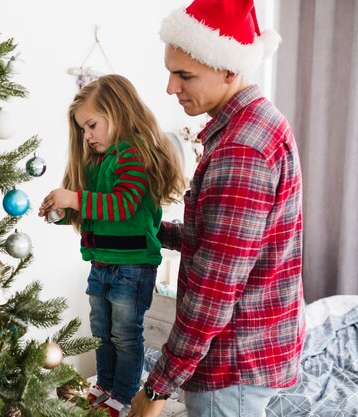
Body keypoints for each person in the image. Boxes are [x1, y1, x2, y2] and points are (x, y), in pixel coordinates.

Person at [128, 1, 305, 417]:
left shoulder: (241, 150)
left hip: (232, 364)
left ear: (229, 70)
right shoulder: (258, 123)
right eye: (170, 71)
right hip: (253, 348)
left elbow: (213, 292)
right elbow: (223, 244)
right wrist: (150, 228)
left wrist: (156, 391)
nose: (171, 88)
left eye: (184, 75)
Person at [38, 74, 185, 417]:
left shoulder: (134, 156)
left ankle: (124, 392)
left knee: (125, 336)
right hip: (101, 263)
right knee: (100, 333)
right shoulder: (97, 163)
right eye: (83, 130)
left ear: (116, 113)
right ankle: (104, 385)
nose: (87, 136)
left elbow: (123, 206)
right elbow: (94, 214)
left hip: (132, 267)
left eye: (91, 125)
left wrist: (74, 198)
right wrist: (61, 212)